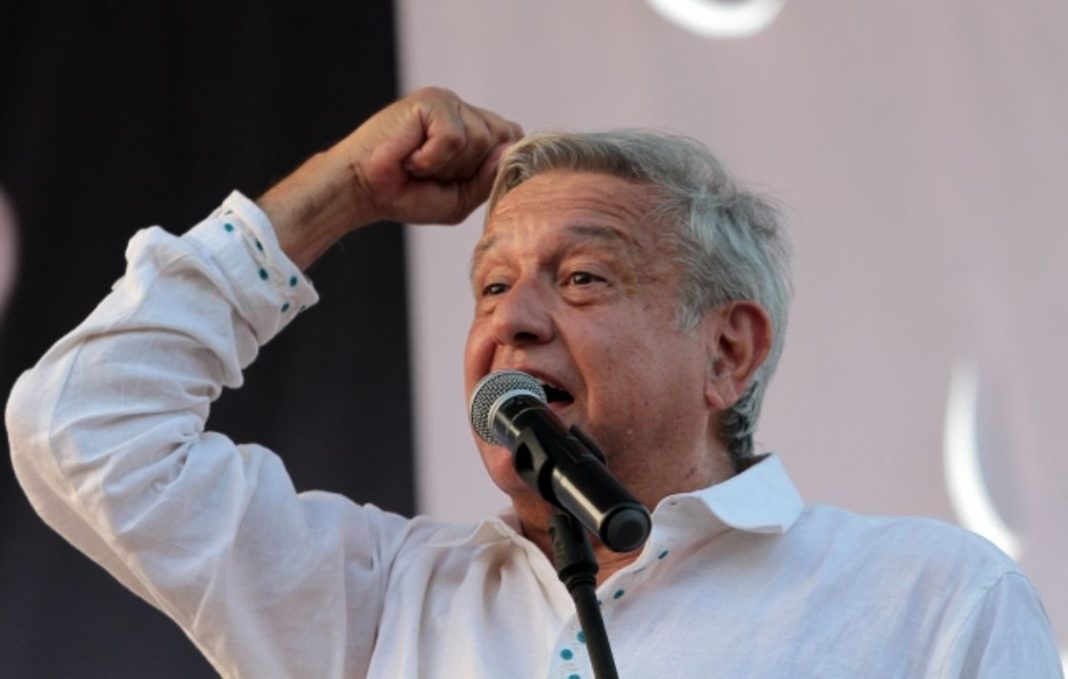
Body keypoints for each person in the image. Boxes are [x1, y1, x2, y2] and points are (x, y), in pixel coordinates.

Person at [6, 88, 1061, 678]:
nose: (512, 317)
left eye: (584, 276)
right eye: (492, 284)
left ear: (728, 353)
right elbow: (81, 425)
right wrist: (343, 192)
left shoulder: (929, 600)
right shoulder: (381, 601)